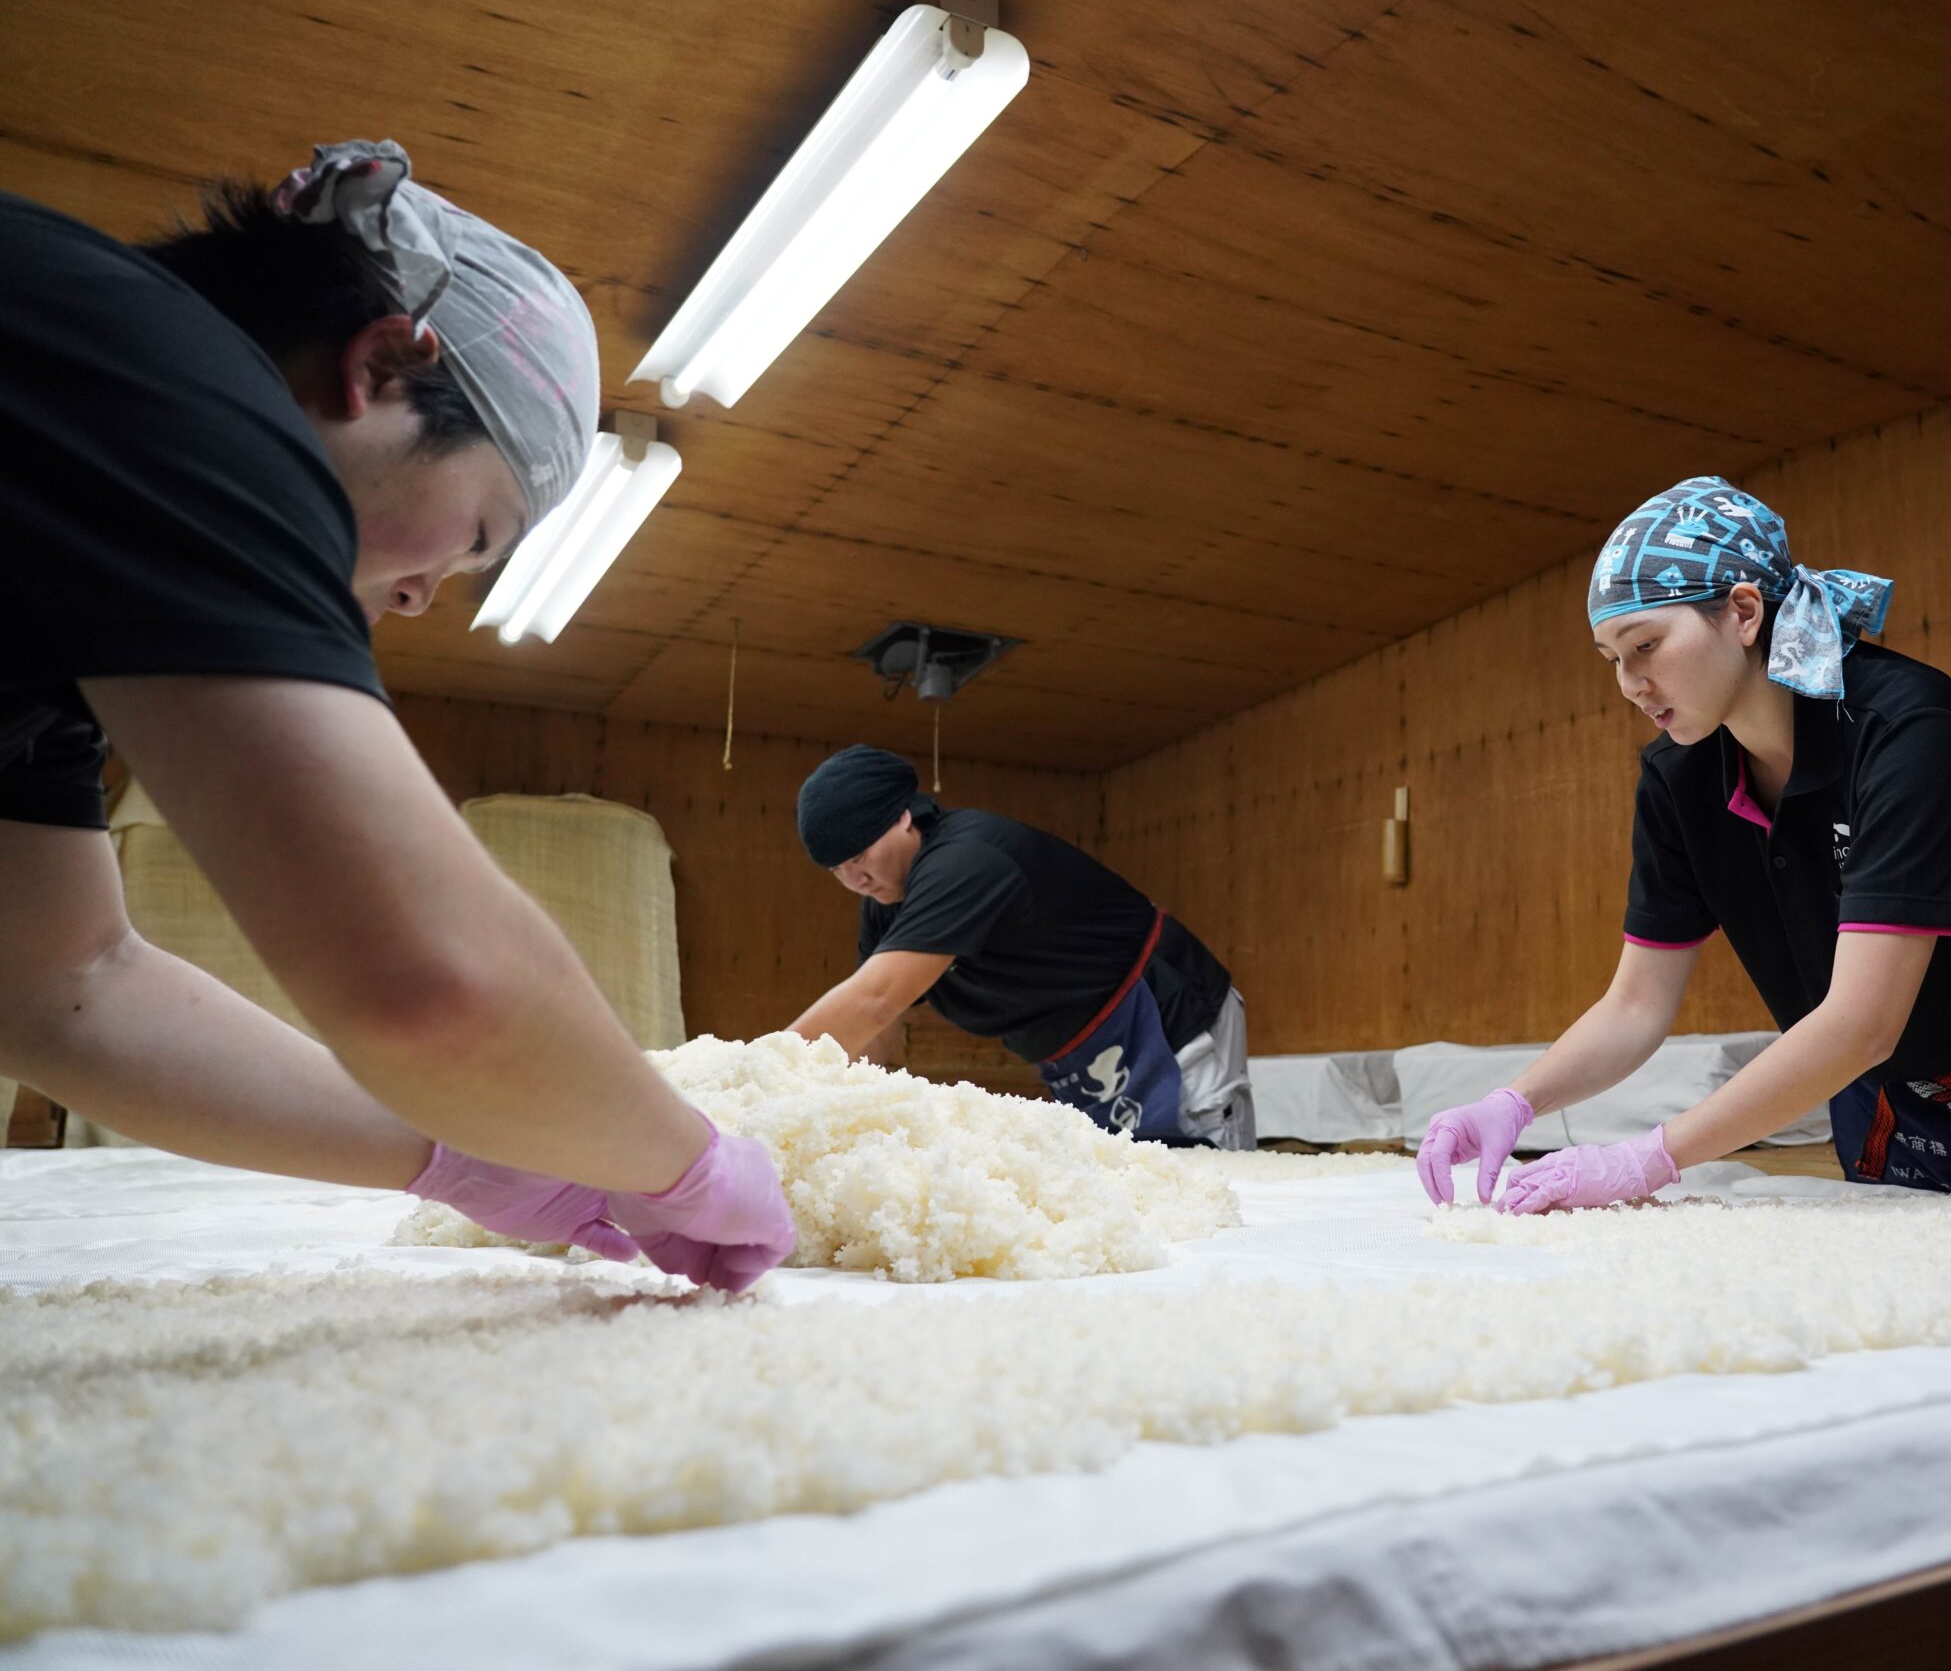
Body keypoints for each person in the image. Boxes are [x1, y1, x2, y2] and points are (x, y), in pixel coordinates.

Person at [0, 141, 794, 1290]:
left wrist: (461, 1156)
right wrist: (684, 1161)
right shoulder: (172, 383)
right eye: (474, 539)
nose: (422, 599)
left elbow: (67, 989)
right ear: (378, 367)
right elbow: (435, 980)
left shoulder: (58, 612)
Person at [1415, 476, 1951, 1215]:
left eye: (1645, 643)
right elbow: (1636, 1002)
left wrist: (1647, 1158)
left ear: (1744, 612)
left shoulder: (1903, 729)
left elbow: (1861, 1019)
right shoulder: (1678, 777)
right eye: (1612, 659)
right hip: (1878, 1085)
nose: (1628, 682)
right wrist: (1514, 1102)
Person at [790, 746, 1255, 1147]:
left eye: (859, 857)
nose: (855, 881)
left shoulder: (968, 861)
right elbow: (877, 1028)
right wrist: (841, 1104)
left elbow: (874, 999)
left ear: (904, 817)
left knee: (1210, 1190)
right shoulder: (885, 903)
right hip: (1081, 1060)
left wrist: (759, 1077)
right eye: (836, 871)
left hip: (1166, 1018)